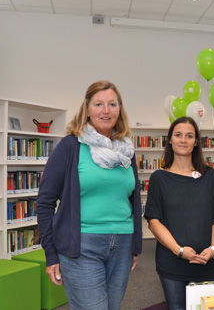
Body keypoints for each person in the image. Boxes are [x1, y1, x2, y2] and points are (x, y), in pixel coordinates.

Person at [36, 80, 142, 310]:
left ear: (119, 109)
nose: (106, 110)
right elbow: (44, 202)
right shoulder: (70, 146)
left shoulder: (126, 150)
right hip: (81, 246)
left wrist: (135, 246)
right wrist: (51, 254)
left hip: (122, 244)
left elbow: (134, 201)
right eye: (99, 104)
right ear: (87, 109)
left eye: (112, 104)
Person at [144, 116, 214, 310]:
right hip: (172, 262)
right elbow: (153, 221)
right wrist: (179, 251)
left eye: (189, 136)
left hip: (207, 260)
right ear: (170, 140)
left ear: (196, 141)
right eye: (178, 135)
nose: (183, 140)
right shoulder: (159, 178)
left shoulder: (209, 175)